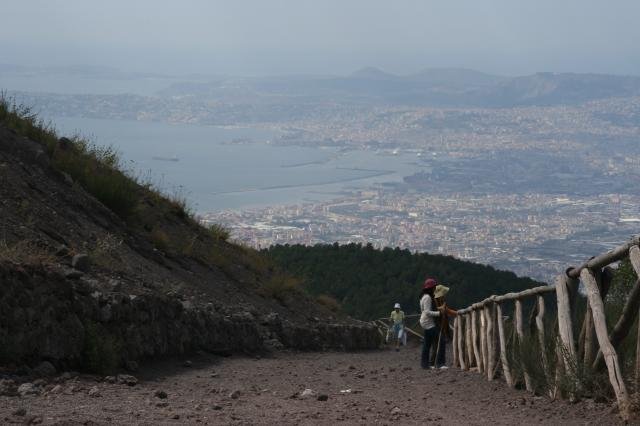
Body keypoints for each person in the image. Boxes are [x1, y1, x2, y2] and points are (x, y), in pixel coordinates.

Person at [433, 284, 457, 369]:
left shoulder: (442, 300)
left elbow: (447, 310)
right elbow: (434, 310)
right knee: (440, 342)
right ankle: (440, 363)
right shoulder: (435, 301)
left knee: (441, 343)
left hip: (441, 324)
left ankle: (438, 362)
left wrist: (458, 313)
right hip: (435, 324)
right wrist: (441, 309)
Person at [419, 278, 440, 369]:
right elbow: (427, 312)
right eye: (434, 287)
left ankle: (425, 364)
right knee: (437, 341)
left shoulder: (423, 297)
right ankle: (433, 363)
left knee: (427, 344)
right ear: (431, 288)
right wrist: (439, 313)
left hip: (425, 322)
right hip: (428, 323)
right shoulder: (427, 297)